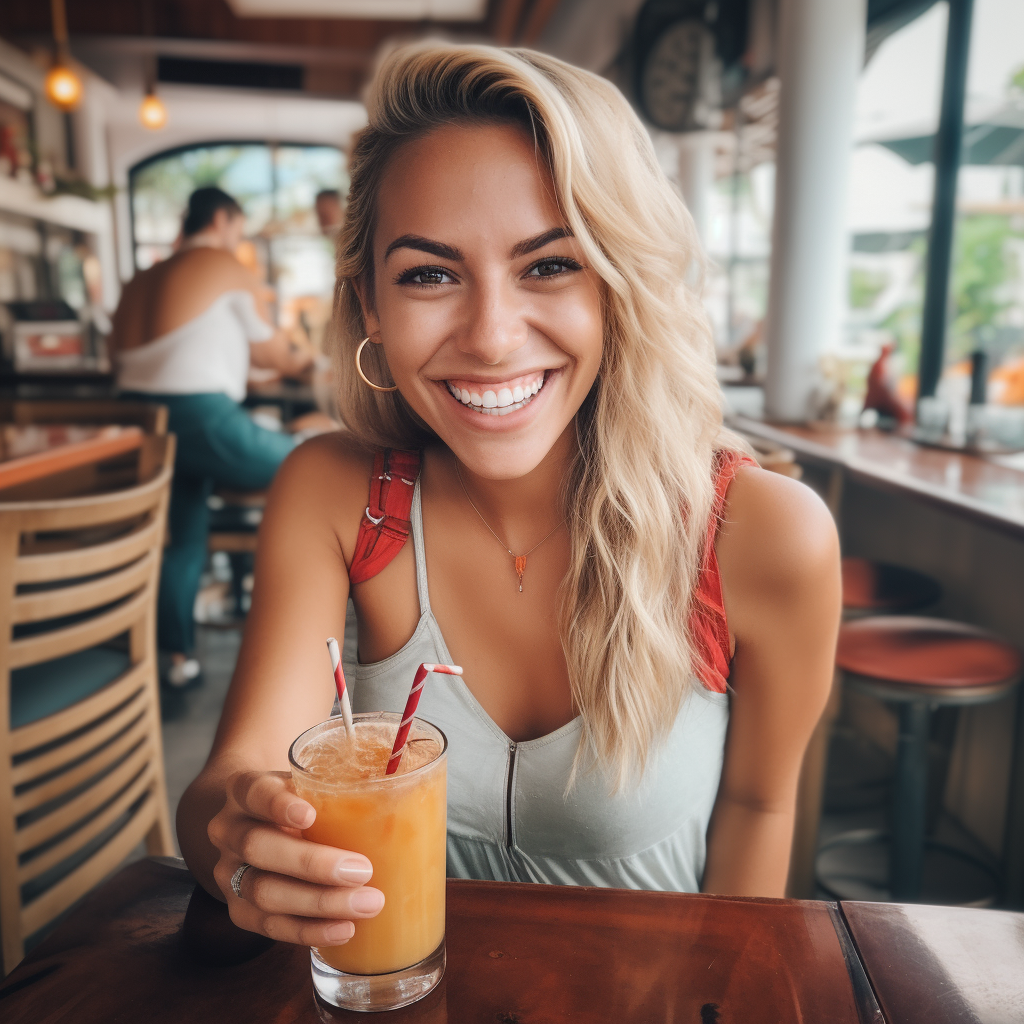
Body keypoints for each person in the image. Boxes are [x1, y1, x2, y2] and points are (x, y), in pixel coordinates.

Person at [177, 43, 841, 947]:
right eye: (428, 274)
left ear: (620, 284)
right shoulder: (336, 496)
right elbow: (232, 779)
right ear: (370, 303)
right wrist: (240, 846)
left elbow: (762, 807)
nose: (491, 337)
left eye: (550, 264)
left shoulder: (758, 534)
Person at [110, 186, 332, 688]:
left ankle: (177, 659)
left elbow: (127, 362)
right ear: (224, 220)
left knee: (181, 541)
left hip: (138, 425)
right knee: (320, 457)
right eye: (239, 228)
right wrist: (318, 364)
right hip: (201, 419)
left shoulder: (140, 280)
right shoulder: (222, 263)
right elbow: (274, 354)